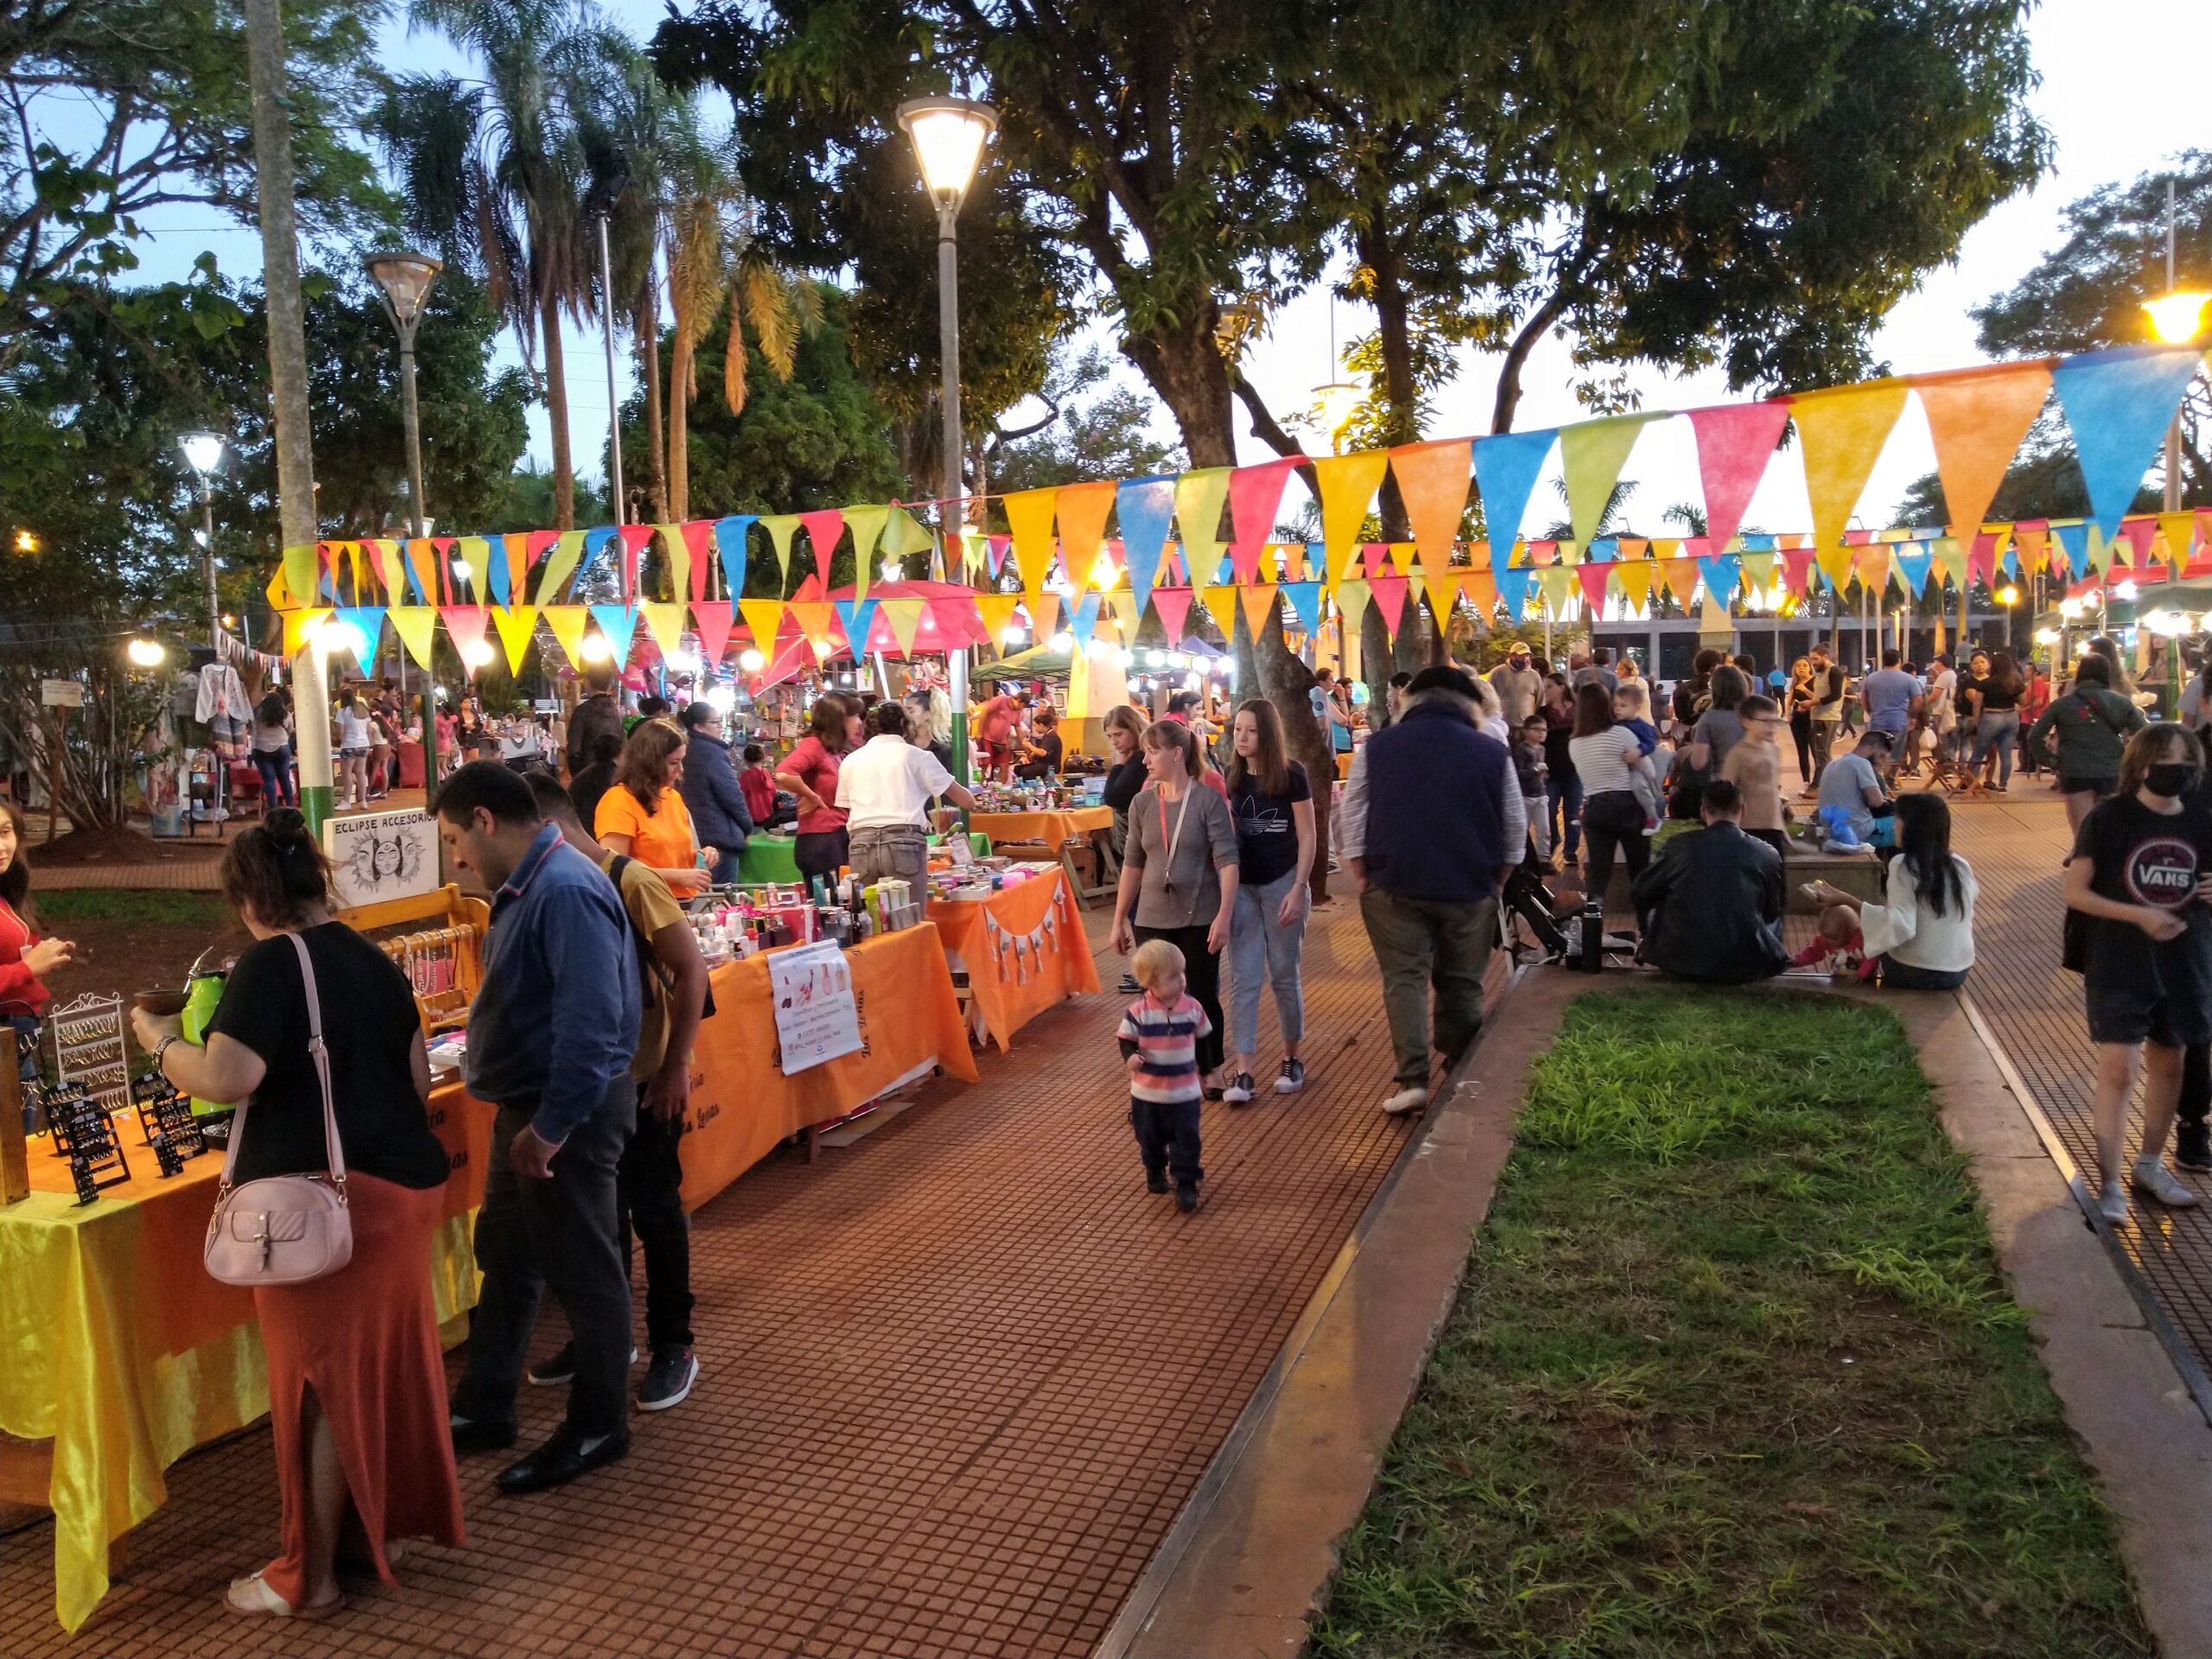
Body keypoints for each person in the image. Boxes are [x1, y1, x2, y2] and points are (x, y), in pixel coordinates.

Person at [129, 809, 462, 1616]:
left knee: (315, 1387)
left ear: (250, 894)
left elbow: (227, 1076)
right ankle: (360, 1541)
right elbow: (417, 1080)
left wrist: (154, 1041)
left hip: (319, 1216)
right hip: (401, 1195)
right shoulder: (376, 963)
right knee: (369, 1379)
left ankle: (306, 1578)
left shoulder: (269, 966)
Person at [436, 762, 642, 1493]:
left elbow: (590, 1027)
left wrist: (550, 1129)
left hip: (567, 1116)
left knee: (586, 1273)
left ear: (487, 821)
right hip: (532, 1110)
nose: (457, 856)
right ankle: (486, 1404)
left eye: (457, 838)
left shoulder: (564, 889)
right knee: (510, 1257)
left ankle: (597, 1426)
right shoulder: (526, 889)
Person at [522, 773, 709, 1413]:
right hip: (593, 1086)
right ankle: (605, 1338)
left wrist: (676, 1064)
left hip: (645, 1080)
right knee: (600, 1220)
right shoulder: (552, 886)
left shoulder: (631, 881)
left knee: (655, 1211)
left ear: (548, 826)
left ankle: (673, 1344)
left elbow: (691, 969)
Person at [1338, 666, 1522, 1117]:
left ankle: (1413, 1080)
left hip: (1392, 884)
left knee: (1405, 980)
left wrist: (1362, 874)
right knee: (1462, 981)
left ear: (1408, 702)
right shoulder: (1491, 751)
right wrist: (1496, 881)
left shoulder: (1377, 747)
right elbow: (1514, 827)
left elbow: (1353, 813)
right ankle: (1464, 1065)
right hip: (1470, 885)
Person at [2063, 723, 2212, 1225]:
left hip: (2185, 961)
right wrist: (2139, 914)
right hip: (2120, 961)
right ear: (2141, 764)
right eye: (2169, 760)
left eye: (2188, 762)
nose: (2179, 771)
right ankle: (2108, 1182)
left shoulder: (2203, 820)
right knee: (2119, 1070)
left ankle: (2150, 1164)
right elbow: (2076, 892)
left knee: (2171, 1062)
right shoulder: (2109, 818)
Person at [1109, 719, 1239, 1096]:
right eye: (1145, 751)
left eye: (1152, 751)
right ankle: (1153, 1079)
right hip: (1151, 917)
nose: (1145, 759)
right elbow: (1132, 864)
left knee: (1199, 993)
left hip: (1199, 916)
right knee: (1153, 999)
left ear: (1177, 753)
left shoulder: (1207, 800)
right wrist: (1119, 920)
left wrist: (1224, 915)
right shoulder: (1142, 803)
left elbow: (1228, 861)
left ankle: (1211, 1068)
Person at [1222, 699, 1313, 1104]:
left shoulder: (1292, 775)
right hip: (1243, 887)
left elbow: (1309, 835)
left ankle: (1292, 1058)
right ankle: (1244, 1071)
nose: (1241, 737)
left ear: (1268, 734)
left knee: (1282, 973)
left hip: (1282, 882)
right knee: (1244, 978)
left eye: (1251, 730)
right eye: (1238, 729)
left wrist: (1298, 887)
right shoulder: (1231, 778)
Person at [1805, 792, 1976, 988]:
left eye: (1897, 819)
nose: (1893, 826)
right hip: (1957, 971)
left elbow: (1900, 924)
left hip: (1913, 971)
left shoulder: (1903, 865)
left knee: (1867, 942)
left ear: (1913, 827)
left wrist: (1848, 901)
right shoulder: (1960, 865)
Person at [1630, 779, 1789, 983]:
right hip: (1744, 964)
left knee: (1658, 900)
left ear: (1703, 810)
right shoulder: (1766, 853)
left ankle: (1650, 947)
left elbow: (1640, 893)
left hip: (1678, 962)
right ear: (1743, 810)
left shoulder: (1678, 846)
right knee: (1776, 918)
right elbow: (1771, 912)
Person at [837, 700, 978, 889]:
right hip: (903, 841)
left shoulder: (850, 760)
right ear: (905, 726)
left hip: (861, 843)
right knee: (909, 915)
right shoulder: (917, 756)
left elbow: (846, 806)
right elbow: (966, 801)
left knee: (869, 915)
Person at [1117, 938, 1211, 1214]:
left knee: (1187, 1137)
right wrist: (1130, 1057)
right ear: (1150, 982)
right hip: (1147, 1093)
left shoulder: (1192, 1008)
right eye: (1173, 976)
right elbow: (1125, 1039)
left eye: (1182, 973)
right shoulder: (1138, 1012)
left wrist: (1206, 1071)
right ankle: (1155, 1168)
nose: (1182, 980)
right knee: (1150, 1137)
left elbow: (1204, 1039)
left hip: (1185, 1092)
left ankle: (1185, 1181)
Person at [0, 801, 67, 1128]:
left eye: (5, 832)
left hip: (20, 1039)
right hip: (5, 1039)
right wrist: (27, 970)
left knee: (19, 1151)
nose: (1, 846)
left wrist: (44, 952)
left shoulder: (6, 895)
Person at [2028, 654, 2147, 833]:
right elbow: (2146, 734)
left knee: (2083, 830)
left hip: (2074, 771)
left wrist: (2051, 761)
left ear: (2080, 674)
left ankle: (2082, 855)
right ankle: (2106, 858)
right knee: (2109, 828)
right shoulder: (2121, 702)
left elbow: (2034, 736)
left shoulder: (2062, 704)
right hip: (2111, 771)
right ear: (2106, 674)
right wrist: (2131, 762)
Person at [595, 720, 713, 895]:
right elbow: (613, 869)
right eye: (673, 763)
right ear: (650, 762)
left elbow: (670, 854)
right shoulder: (618, 800)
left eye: (681, 761)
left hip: (682, 905)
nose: (680, 770)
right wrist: (677, 877)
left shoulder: (672, 797)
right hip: (646, 908)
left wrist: (701, 856)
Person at [1569, 682, 1652, 906]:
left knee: (1597, 875)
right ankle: (1646, 928)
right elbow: (1647, 769)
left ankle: (1592, 931)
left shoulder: (1574, 743)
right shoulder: (1622, 734)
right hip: (1628, 805)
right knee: (1640, 870)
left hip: (1594, 808)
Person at [776, 696, 863, 885]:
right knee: (830, 909)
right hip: (821, 840)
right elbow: (784, 773)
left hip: (836, 837)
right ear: (839, 719)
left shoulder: (835, 749)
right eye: (854, 716)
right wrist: (811, 796)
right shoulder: (814, 744)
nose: (859, 721)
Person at [677, 701, 753, 874]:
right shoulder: (713, 752)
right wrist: (747, 826)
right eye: (715, 722)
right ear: (698, 726)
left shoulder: (687, 749)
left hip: (696, 834)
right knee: (722, 895)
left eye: (720, 721)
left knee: (705, 893)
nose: (720, 727)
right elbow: (732, 795)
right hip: (719, 837)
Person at [1719, 694, 1789, 858]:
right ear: (1746, 722)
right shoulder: (1737, 754)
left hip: (1773, 829)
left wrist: (1782, 828)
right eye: (1765, 721)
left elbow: (1774, 792)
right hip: (1747, 829)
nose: (1772, 727)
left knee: (1776, 880)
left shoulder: (1774, 750)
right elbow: (1724, 795)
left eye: (1775, 721)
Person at [1815, 724, 1896, 847]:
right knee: (1910, 823)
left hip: (1831, 832)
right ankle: (1901, 864)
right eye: (1881, 756)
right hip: (1857, 832)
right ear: (1873, 746)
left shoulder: (1833, 764)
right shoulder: (1861, 763)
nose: (1881, 762)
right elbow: (1876, 802)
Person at [1965, 649, 2026, 793]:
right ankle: (2003, 785)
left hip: (1991, 717)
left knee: (1978, 752)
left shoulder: (1986, 683)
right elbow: (2023, 701)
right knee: (2006, 754)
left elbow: (1977, 704)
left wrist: (1977, 720)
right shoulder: (2015, 682)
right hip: (2011, 717)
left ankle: (1972, 782)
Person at [1858, 649, 1923, 776]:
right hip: (1899, 721)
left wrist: (1871, 712)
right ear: (1899, 661)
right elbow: (1918, 700)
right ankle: (1890, 779)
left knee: (1877, 752)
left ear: (1883, 661)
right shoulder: (1909, 679)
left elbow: (1863, 699)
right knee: (1894, 754)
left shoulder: (1871, 678)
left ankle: (1877, 778)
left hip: (1877, 721)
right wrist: (1912, 717)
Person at [1540, 672, 1580, 867]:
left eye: (1549, 687)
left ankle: (1571, 850)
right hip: (1551, 769)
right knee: (1548, 810)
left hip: (1574, 768)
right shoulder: (1543, 713)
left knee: (1573, 812)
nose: (1545, 690)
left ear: (1561, 687)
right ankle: (1553, 841)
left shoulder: (1577, 711)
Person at [565, 664, 626, 777]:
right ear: (608, 685)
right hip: (613, 776)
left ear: (587, 682)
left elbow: (574, 750)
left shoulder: (582, 711)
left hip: (588, 777)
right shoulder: (616, 712)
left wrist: (578, 778)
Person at [1804, 644, 1846, 788]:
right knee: (1821, 753)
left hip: (1827, 717)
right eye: (1811, 659)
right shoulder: (1821, 674)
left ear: (1825, 657)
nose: (1813, 663)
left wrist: (1813, 703)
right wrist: (1810, 703)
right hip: (1818, 716)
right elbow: (1821, 695)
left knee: (1822, 753)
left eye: (1815, 659)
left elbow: (1835, 695)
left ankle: (1822, 784)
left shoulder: (1834, 672)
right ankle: (1826, 783)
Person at [1513, 714, 1550, 861]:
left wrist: (1543, 775)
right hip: (1525, 795)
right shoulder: (1522, 750)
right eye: (1538, 730)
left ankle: (1544, 858)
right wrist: (1535, 771)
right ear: (1527, 731)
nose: (1542, 733)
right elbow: (1518, 772)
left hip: (1540, 793)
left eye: (1545, 730)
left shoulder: (1542, 749)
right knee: (1523, 830)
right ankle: (1521, 859)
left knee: (1544, 829)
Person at [251, 692, 297, 810]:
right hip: (281, 748)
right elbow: (290, 730)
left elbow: (251, 727)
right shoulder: (285, 715)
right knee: (285, 778)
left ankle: (273, 808)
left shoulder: (257, 714)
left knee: (269, 779)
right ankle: (290, 806)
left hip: (261, 749)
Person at [1487, 642, 1543, 728]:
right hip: (1503, 727)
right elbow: (1488, 698)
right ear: (1512, 656)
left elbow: (1540, 701)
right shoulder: (1497, 673)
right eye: (1521, 656)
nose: (1525, 659)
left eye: (1527, 655)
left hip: (1526, 728)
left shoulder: (1534, 676)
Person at [976, 686, 1025, 779]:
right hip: (986, 738)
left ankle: (1001, 791)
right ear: (1019, 701)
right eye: (1023, 706)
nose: (1022, 709)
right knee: (982, 766)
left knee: (1005, 766)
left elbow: (1019, 729)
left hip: (1001, 742)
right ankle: (977, 788)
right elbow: (984, 712)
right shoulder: (1000, 700)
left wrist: (1026, 746)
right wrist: (979, 732)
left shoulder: (1017, 712)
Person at [334, 696, 373, 811]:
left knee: (347, 772)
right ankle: (363, 800)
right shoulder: (363, 711)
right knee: (361, 772)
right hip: (363, 744)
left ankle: (346, 800)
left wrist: (341, 740)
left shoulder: (342, 712)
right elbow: (369, 730)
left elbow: (340, 732)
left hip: (349, 744)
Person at [1786, 655, 1816, 784]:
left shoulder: (1815, 681)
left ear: (1810, 667)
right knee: (1802, 752)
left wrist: (1806, 690)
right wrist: (1788, 715)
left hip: (1812, 719)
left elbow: (1819, 699)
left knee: (1816, 751)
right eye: (1798, 666)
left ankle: (1820, 782)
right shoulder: (1795, 683)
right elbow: (1789, 701)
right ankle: (1806, 782)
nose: (1801, 668)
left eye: (1804, 665)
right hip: (1797, 721)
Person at [1014, 706, 1065, 779]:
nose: (1034, 728)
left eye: (1035, 726)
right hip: (1044, 764)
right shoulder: (1048, 735)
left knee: (1025, 771)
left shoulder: (1050, 736)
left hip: (1050, 766)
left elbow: (1042, 753)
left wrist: (1029, 745)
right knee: (1018, 769)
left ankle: (1033, 787)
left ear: (1041, 724)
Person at [738, 742, 779, 829]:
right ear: (763, 758)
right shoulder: (767, 774)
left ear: (745, 759)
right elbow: (774, 793)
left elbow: (740, 798)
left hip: (752, 818)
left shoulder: (746, 777)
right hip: (769, 817)